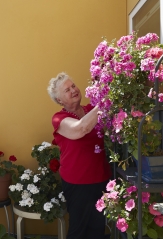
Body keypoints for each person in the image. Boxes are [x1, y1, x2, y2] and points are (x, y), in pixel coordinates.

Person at [47, 72, 111, 239]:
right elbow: (80, 129)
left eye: (73, 86)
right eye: (67, 90)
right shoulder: (59, 118)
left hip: (101, 178)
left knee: (98, 229)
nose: (73, 90)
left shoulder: (91, 109)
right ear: (60, 100)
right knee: (78, 230)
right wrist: (105, 101)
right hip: (77, 183)